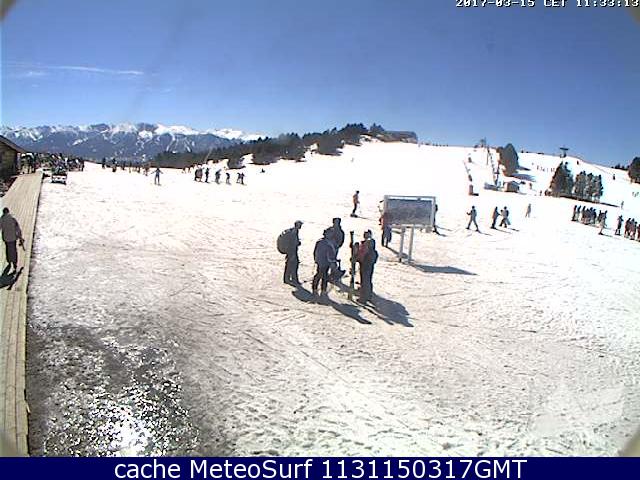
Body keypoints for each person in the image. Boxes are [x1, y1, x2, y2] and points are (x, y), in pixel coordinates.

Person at [312, 228, 338, 298]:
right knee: (319, 275)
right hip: (321, 261)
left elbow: (333, 252)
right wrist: (316, 259)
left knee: (325, 276)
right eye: (329, 233)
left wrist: (333, 261)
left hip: (327, 262)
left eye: (331, 233)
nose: (330, 234)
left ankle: (323, 290)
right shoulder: (321, 242)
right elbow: (317, 252)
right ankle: (315, 288)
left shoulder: (331, 242)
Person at [356, 230, 378, 304]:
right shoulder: (364, 245)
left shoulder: (369, 248)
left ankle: (364, 298)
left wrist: (359, 258)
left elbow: (363, 255)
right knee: (366, 281)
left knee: (365, 281)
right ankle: (368, 296)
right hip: (365, 265)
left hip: (366, 266)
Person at [0, 208, 24, 274]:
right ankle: (14, 262)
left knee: (8, 249)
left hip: (6, 238)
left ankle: (9, 261)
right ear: (8, 211)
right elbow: (18, 229)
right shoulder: (13, 218)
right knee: (14, 249)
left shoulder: (1, 219)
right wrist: (20, 237)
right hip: (13, 238)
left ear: (3, 212)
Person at [281, 221, 303, 285]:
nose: (301, 226)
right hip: (292, 252)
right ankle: (293, 280)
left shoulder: (294, 231)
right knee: (293, 265)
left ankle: (287, 279)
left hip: (291, 252)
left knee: (290, 265)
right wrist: (292, 254)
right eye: (300, 225)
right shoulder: (293, 232)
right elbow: (292, 244)